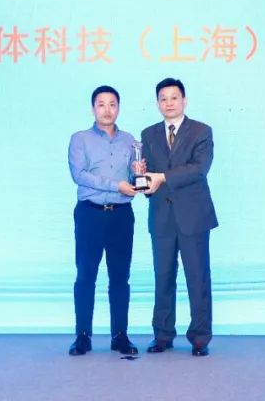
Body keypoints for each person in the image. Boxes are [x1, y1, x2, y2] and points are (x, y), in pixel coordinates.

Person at [137, 78, 217, 356]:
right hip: (162, 216)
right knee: (163, 277)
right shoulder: (148, 134)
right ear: (157, 103)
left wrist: (162, 177)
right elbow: (147, 174)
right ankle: (162, 336)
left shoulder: (201, 131)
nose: (169, 103)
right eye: (163, 98)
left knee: (197, 278)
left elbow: (199, 169)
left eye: (174, 97)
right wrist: (141, 178)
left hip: (193, 216)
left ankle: (200, 338)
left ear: (184, 101)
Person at [66, 85, 140, 356]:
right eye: (101, 104)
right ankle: (83, 336)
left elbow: (132, 181)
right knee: (86, 275)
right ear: (93, 108)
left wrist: (136, 174)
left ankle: (120, 335)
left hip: (121, 215)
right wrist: (115, 185)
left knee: (120, 277)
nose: (107, 110)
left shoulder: (130, 140)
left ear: (118, 108)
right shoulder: (80, 139)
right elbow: (79, 175)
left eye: (112, 104)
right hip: (90, 214)